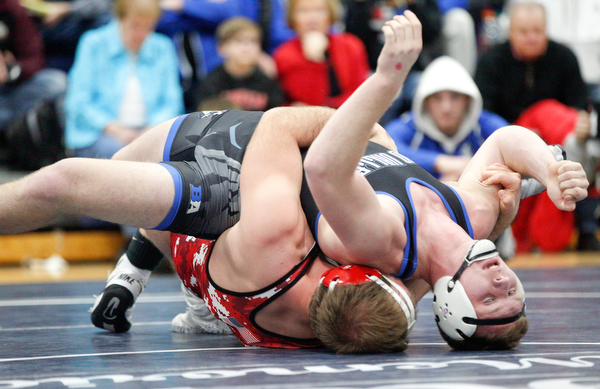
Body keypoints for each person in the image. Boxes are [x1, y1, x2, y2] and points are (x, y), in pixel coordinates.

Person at [0, 12, 588, 351]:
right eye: (516, 291)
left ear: (453, 303)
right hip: (255, 191)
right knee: (76, 185)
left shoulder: (378, 239)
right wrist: (549, 167)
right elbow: (507, 142)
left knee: (65, 182)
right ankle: (150, 279)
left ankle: (145, 274)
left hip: (242, 181)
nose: (506, 282)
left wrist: (384, 84)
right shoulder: (475, 217)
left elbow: (312, 158)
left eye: (492, 298)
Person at [474, 1, 599, 252]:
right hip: (507, 141)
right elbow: (482, 113)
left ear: (546, 30)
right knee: (557, 132)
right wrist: (519, 135)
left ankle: (574, 228)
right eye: (524, 32)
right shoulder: (491, 61)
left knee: (569, 140)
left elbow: (576, 106)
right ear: (510, 33)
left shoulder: (563, 57)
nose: (531, 38)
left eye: (537, 31)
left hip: (557, 141)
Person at [65, 0, 184, 160]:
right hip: (100, 133)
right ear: (119, 19)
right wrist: (116, 130)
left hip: (150, 130)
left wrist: (151, 129)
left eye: (148, 27)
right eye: (135, 26)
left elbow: (172, 101)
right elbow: (78, 102)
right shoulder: (93, 43)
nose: (141, 34)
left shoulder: (162, 46)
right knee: (128, 157)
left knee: (180, 153)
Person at [273, 0, 370, 107]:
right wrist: (315, 59)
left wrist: (330, 105)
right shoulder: (284, 54)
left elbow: (361, 94)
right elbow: (312, 102)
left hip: (351, 114)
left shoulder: (351, 45)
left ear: (330, 15)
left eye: (320, 10)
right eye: (303, 11)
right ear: (292, 18)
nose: (312, 18)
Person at [0, 0, 67, 143]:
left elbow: (34, 57)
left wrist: (13, 68)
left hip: (9, 88)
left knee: (56, 82)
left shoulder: (10, 8)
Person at [195, 17, 284, 111]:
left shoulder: (269, 83)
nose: (246, 48)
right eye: (238, 41)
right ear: (221, 48)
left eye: (253, 41)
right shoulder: (210, 83)